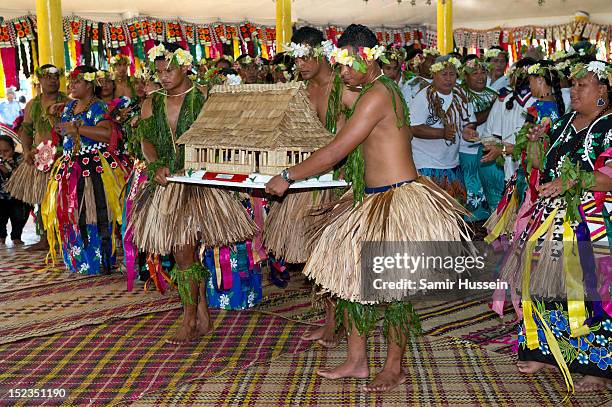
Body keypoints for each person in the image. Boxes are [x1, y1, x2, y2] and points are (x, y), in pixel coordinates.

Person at [266, 24, 469, 392]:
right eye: (338, 65)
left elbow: (336, 151)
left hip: (398, 199)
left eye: (347, 65)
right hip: (370, 198)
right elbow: (334, 102)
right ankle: (358, 361)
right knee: (351, 279)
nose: (342, 73)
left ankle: (395, 366)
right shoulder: (364, 91)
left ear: (368, 59)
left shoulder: (378, 95)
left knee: (393, 288)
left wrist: (287, 175)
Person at [128, 43, 256, 344]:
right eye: (158, 71)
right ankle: (201, 314)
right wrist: (155, 162)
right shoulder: (152, 102)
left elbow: (224, 135)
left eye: (169, 70)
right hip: (166, 184)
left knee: (184, 253)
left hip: (200, 185)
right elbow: (145, 139)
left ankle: (189, 318)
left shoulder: (204, 97)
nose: (163, 77)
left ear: (186, 67)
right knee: (182, 254)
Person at [500, 60, 612, 392]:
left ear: (603, 91)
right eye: (573, 85)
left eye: (582, 86)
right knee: (540, 282)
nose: (573, 91)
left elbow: (608, 178)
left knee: (591, 287)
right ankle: (542, 350)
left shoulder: (609, 127)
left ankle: (597, 365)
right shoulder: (562, 123)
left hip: (593, 220)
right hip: (551, 216)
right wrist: (533, 143)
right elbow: (541, 167)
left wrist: (573, 181)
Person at [265, 26, 356, 347]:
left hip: (340, 180)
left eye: (306, 56)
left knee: (330, 253)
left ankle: (340, 320)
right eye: (296, 57)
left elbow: (347, 139)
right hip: (308, 177)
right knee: (311, 254)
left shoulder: (343, 88)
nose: (300, 63)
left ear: (322, 54)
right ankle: (330, 317)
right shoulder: (300, 90)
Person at [41, 65, 129, 275]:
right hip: (71, 167)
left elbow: (108, 134)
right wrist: (56, 120)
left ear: (90, 84)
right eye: (70, 82)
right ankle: (78, 260)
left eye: (77, 81)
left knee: (97, 213)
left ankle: (100, 261)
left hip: (95, 168)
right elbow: (64, 133)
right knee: (72, 213)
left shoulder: (98, 107)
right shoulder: (69, 108)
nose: (71, 85)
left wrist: (77, 128)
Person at [6, 65, 69, 251]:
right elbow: (26, 130)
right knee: (41, 199)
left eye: (56, 77)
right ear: (39, 81)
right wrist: (26, 151)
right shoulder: (32, 104)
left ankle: (65, 237)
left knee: (64, 199)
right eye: (48, 77)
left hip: (61, 156)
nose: (53, 81)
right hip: (38, 157)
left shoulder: (67, 102)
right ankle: (44, 238)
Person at [409, 55, 476, 201]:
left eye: (452, 74)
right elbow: (413, 128)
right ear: (434, 74)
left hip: (452, 162)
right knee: (430, 210)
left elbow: (468, 122)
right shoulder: (423, 97)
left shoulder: (461, 94)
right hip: (425, 164)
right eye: (444, 74)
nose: (448, 79)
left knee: (455, 208)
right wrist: (442, 133)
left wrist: (467, 131)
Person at [459, 55, 503, 231]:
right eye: (475, 73)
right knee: (471, 194)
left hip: (488, 150)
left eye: (483, 72)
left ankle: (488, 231)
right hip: (467, 152)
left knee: (488, 193)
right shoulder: (460, 94)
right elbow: (471, 120)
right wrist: (492, 108)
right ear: (466, 76)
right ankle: (470, 232)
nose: (480, 76)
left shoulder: (493, 94)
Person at [0, 134, 31, 245]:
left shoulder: (20, 159)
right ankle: (1, 237)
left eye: (6, 151)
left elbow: (23, 177)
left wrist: (11, 169)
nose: (2, 155)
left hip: (17, 197)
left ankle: (16, 236)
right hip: (1, 198)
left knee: (19, 216)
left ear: (13, 150)